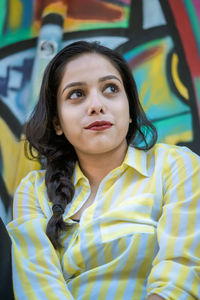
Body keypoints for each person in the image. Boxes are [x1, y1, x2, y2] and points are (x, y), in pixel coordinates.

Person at [7, 41, 200, 300]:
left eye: (110, 88)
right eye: (76, 94)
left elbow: (181, 273)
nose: (96, 105)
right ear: (57, 122)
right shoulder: (33, 191)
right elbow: (38, 288)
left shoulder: (175, 167)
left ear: (129, 108)